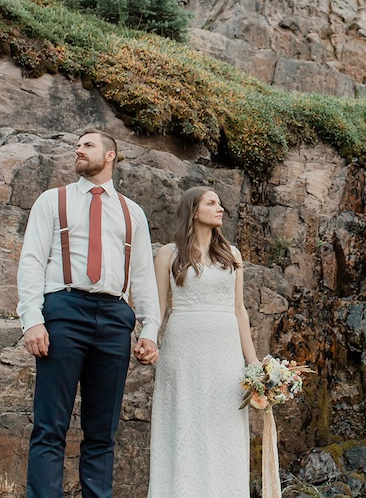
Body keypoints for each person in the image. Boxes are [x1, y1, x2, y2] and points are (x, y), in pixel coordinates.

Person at [17, 129, 162, 498]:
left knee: (102, 432)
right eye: (77, 146)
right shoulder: (53, 200)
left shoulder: (133, 213)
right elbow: (32, 260)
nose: (78, 150)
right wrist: (32, 320)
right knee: (50, 426)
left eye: (87, 145)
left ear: (110, 156)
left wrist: (150, 329)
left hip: (115, 316)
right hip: (64, 309)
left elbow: (143, 274)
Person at [148, 186, 259, 498]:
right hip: (183, 350)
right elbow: (158, 307)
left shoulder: (232, 255)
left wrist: (252, 363)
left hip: (225, 354)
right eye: (212, 203)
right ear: (193, 211)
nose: (220, 208)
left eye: (220, 203)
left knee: (224, 427)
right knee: (184, 423)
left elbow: (240, 310)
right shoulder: (168, 254)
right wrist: (149, 340)